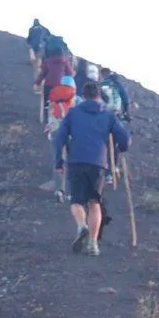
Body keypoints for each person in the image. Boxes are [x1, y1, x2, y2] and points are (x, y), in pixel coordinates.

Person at [53, 79, 131, 255]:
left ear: (83, 96)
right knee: (94, 202)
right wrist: (122, 148)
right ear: (99, 96)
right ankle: (93, 244)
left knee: (76, 201)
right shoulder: (109, 115)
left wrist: (59, 161)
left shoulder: (73, 113)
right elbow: (124, 139)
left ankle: (82, 226)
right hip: (98, 164)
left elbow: (60, 138)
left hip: (76, 161)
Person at [35, 37, 74, 124]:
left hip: (48, 86)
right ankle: (60, 119)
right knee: (60, 103)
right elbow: (70, 74)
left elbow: (42, 74)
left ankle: (46, 121)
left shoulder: (47, 62)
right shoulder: (65, 62)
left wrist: (36, 83)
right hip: (60, 87)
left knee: (46, 103)